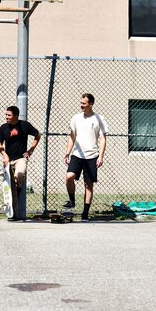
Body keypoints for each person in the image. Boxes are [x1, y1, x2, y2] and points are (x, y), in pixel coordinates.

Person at [64, 93, 108, 221]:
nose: (81, 105)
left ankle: (85, 213)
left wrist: (101, 156)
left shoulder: (99, 119)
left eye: (84, 103)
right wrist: (67, 152)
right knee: (69, 176)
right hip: (77, 154)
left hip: (92, 155)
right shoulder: (76, 118)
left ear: (91, 104)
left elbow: (103, 139)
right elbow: (72, 137)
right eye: (81, 103)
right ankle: (72, 200)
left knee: (88, 185)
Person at [0, 105, 41, 221]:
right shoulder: (4, 127)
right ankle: (13, 214)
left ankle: (19, 187)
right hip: (8, 159)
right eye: (6, 115)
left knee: (19, 174)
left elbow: (37, 135)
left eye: (9, 115)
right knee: (11, 188)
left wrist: (31, 150)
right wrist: (4, 155)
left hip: (21, 158)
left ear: (15, 116)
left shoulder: (24, 125)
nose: (6, 117)